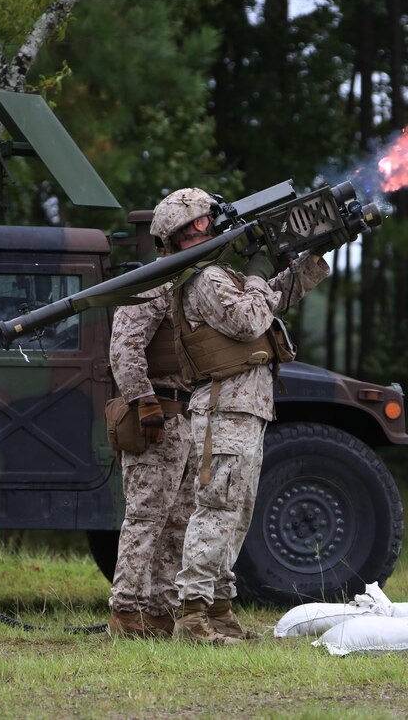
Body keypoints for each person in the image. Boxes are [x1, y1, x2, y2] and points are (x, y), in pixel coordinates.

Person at [149, 187, 332, 645]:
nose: (210, 223)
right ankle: (192, 617)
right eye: (203, 219)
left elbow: (271, 298)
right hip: (224, 408)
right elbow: (249, 322)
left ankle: (220, 611)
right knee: (215, 511)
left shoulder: (222, 275)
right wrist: (258, 271)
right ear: (191, 227)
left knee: (237, 512)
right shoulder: (204, 279)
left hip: (243, 408)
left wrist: (310, 259)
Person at [106, 213, 198, 638]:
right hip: (158, 417)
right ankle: (126, 611)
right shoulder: (153, 283)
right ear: (170, 237)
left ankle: (161, 610)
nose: (201, 234)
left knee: (179, 520)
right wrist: (144, 403)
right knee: (145, 517)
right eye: (192, 229)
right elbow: (125, 348)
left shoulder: (197, 284)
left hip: (188, 416)